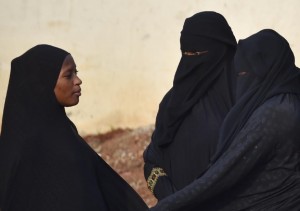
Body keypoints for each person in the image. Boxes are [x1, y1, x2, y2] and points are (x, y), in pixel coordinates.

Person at [150, 29, 300, 210]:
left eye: (245, 73)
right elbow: (154, 157)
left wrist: (168, 206)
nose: (242, 79)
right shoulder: (283, 101)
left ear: (267, 69)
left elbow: (219, 177)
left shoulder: (272, 113)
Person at [0, 44, 148, 211]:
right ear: (43, 83)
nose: (78, 80)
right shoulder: (32, 147)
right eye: (68, 75)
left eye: (76, 73)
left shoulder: (63, 131)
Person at [143, 11, 237, 201]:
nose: (190, 60)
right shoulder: (172, 102)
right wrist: (173, 198)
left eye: (197, 53)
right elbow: (153, 161)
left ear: (221, 51)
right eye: (186, 52)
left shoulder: (244, 100)